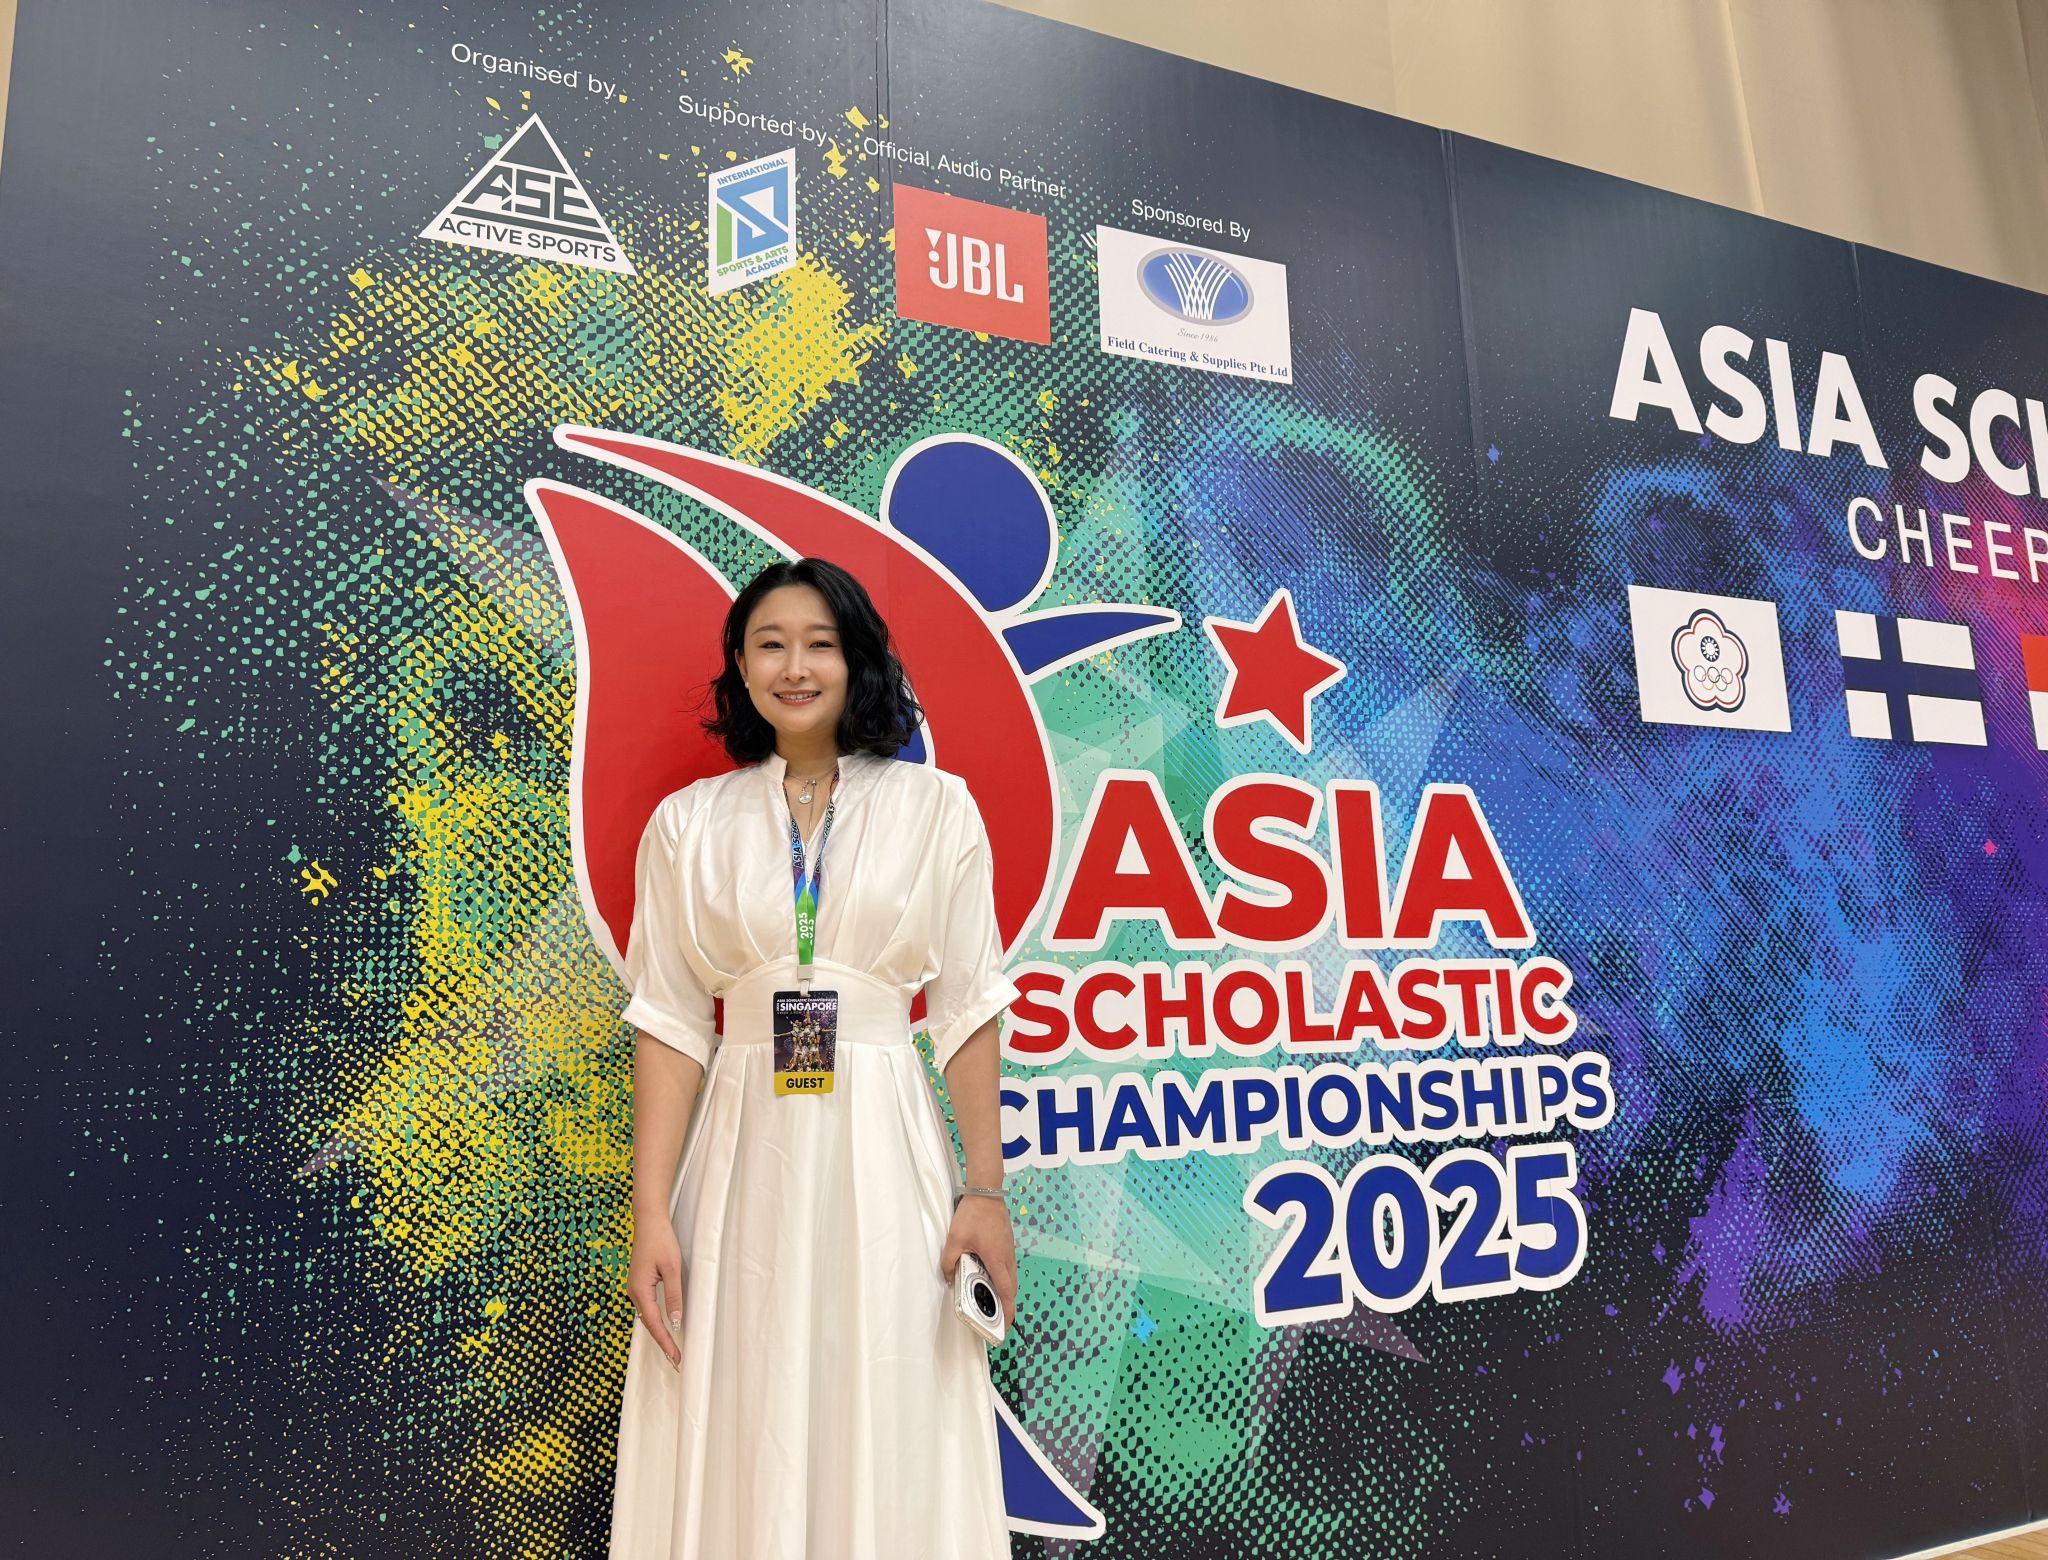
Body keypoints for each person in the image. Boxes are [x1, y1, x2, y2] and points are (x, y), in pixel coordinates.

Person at [606, 557, 1018, 1560]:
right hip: (740, 1158)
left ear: (856, 659)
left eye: (819, 645)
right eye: (770, 645)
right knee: (742, 1392)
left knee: (888, 1385)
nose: (795, 667)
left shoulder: (937, 809)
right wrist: (651, 1210)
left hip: (885, 1145)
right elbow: (670, 1023)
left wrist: (985, 1189)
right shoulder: (686, 826)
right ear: (741, 668)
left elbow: (967, 1007)